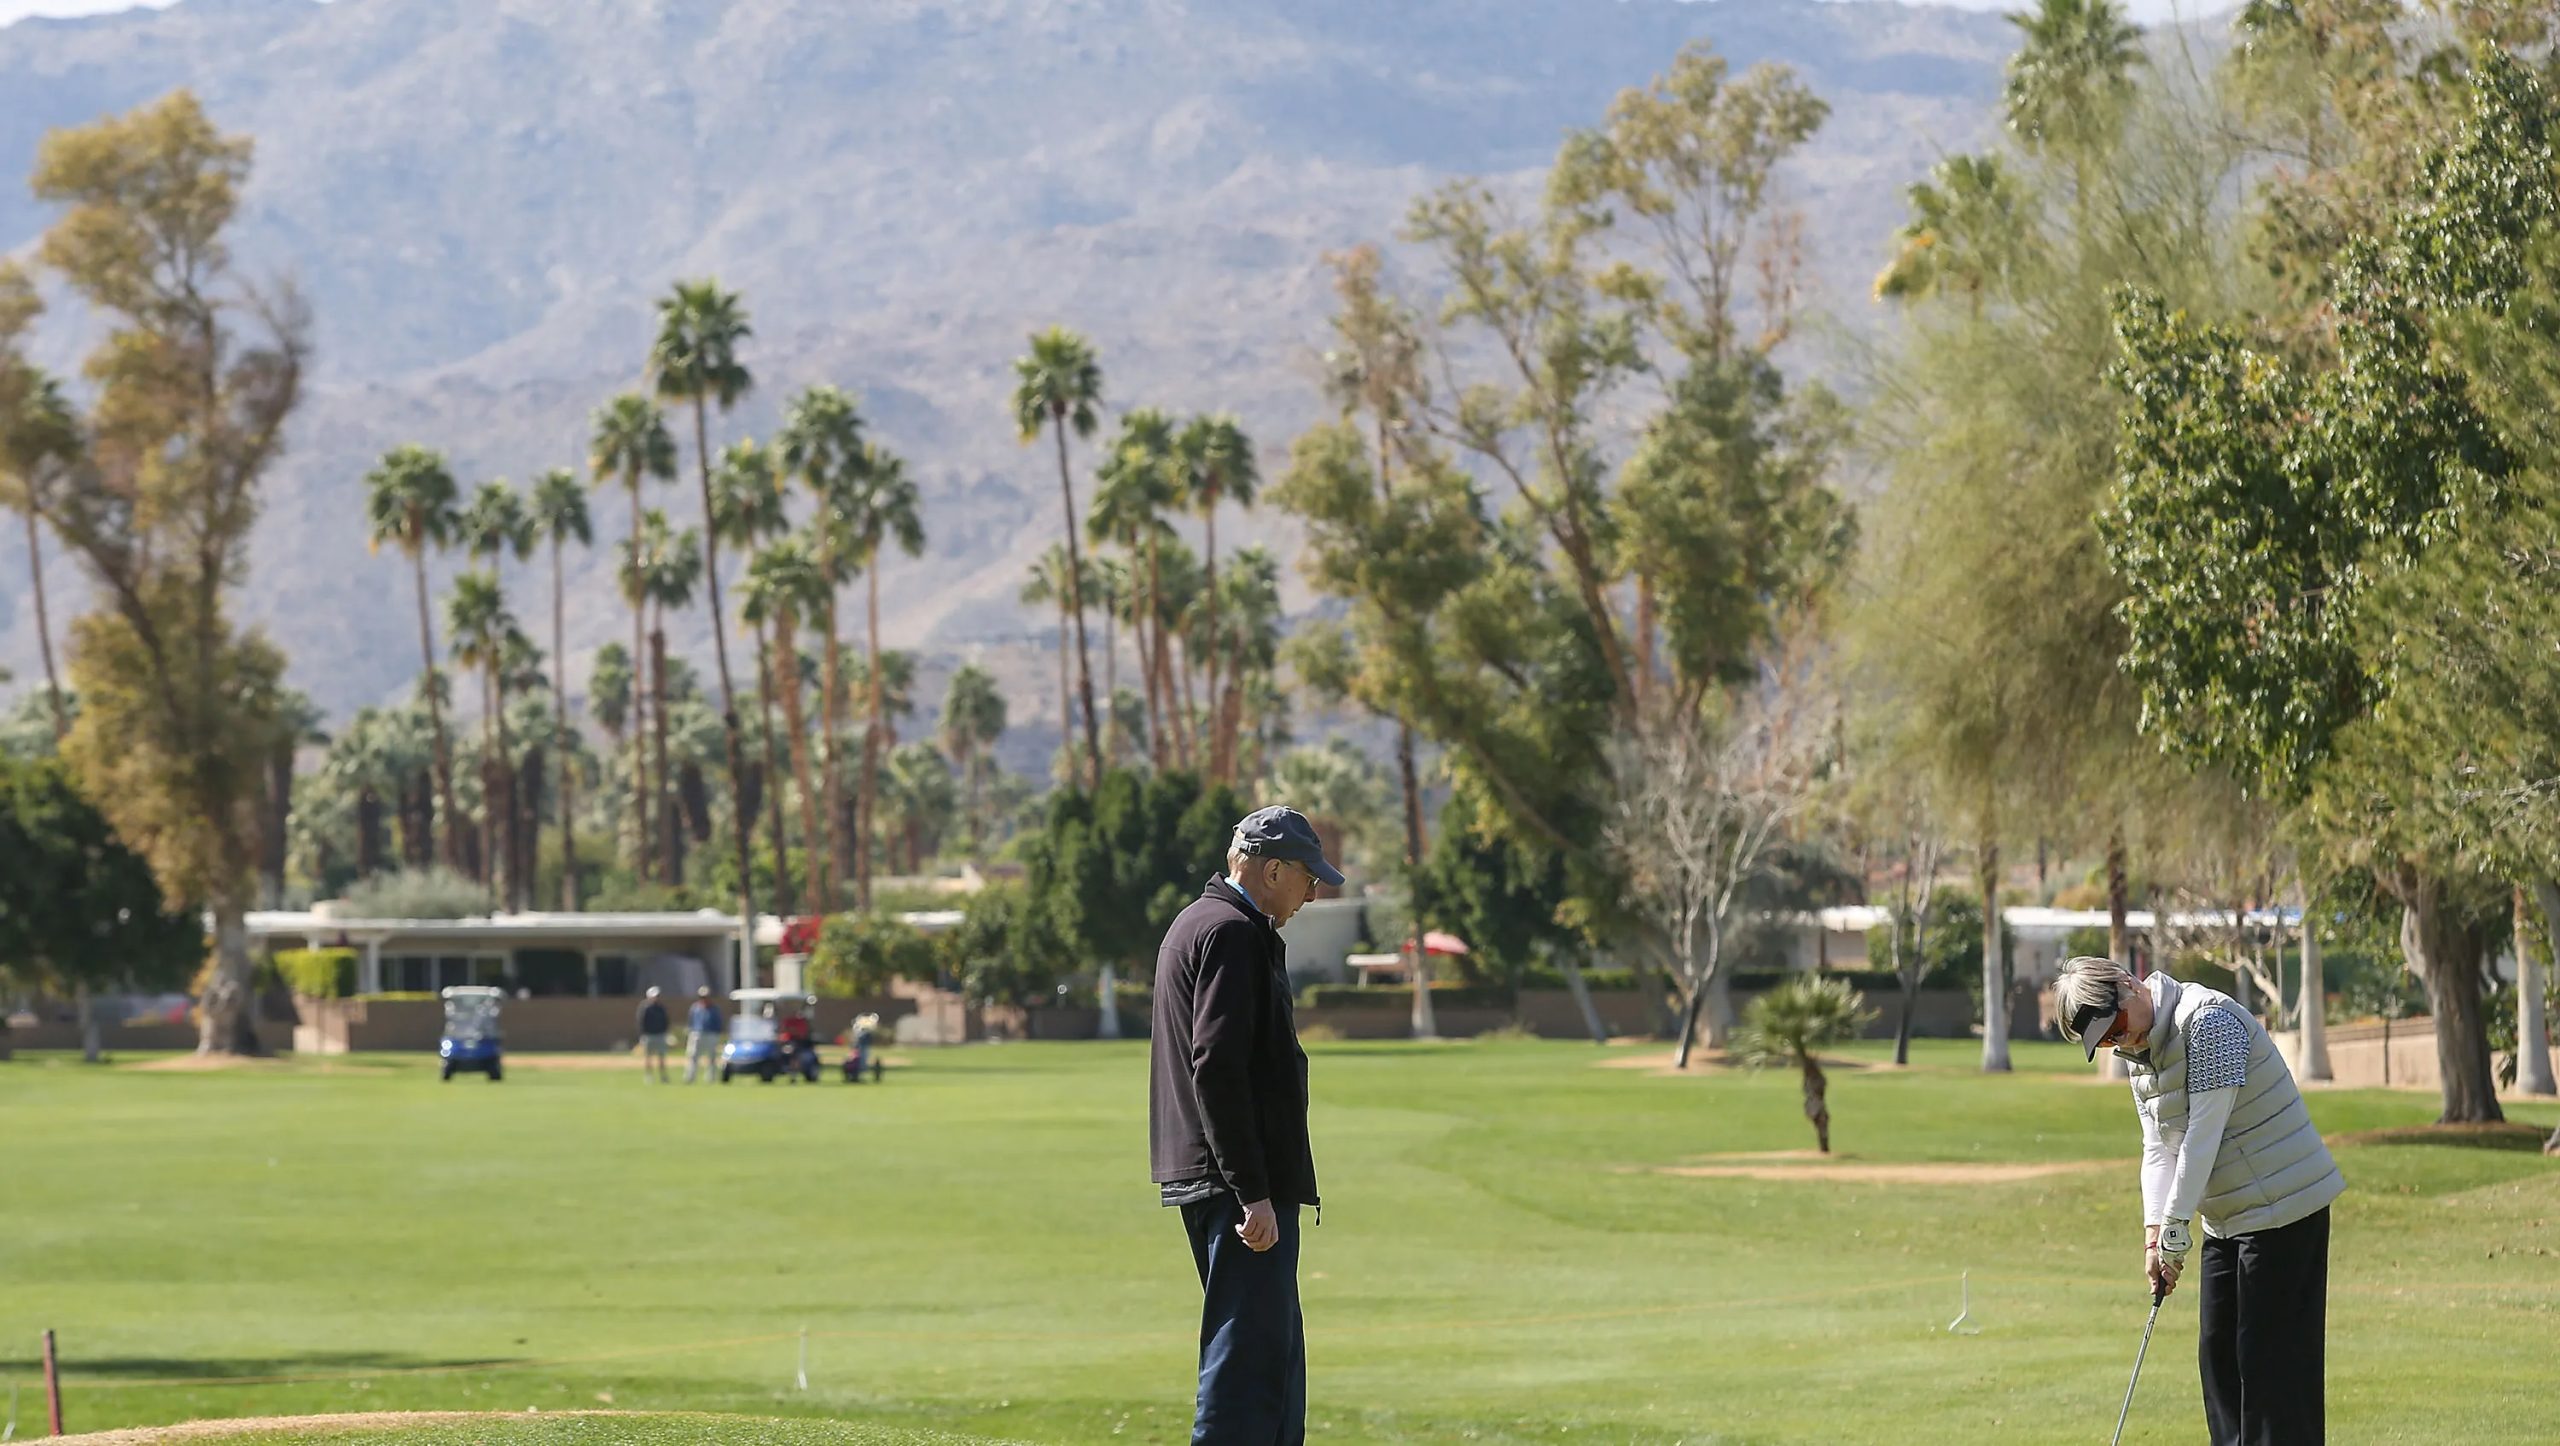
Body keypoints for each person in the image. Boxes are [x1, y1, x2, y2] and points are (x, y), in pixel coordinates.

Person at [2054, 955, 2345, 1446]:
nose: (2119, 1042)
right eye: (2105, 1041)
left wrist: (2174, 1228)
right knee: (2218, 1358)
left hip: (2284, 1209)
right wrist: (2154, 1236)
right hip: (2227, 1217)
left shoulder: (2210, 1021)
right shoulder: (2138, 1060)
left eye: (2117, 1026)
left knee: (2270, 1365)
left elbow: (2201, 1138)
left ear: (2130, 985)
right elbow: (2157, 1148)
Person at [1150, 804, 1341, 1445]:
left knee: (1273, 1353)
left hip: (1226, 1177)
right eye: (1307, 877)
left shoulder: (1205, 923)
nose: (1313, 892)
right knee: (1247, 1362)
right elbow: (1218, 1067)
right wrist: (1252, 1189)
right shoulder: (1229, 931)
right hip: (1236, 1185)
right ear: (1271, 869)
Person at [684, 986, 724, 1084]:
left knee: (712, 1057)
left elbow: (718, 1022)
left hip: (710, 1034)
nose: (704, 999)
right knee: (693, 1056)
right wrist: (691, 1032)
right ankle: (690, 1077)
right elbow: (691, 1021)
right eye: (702, 997)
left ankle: (711, 1078)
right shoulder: (695, 1008)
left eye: (705, 997)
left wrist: (717, 1034)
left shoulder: (714, 1009)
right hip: (697, 1034)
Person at [635, 986, 671, 1083]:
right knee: (648, 1058)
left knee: (661, 1058)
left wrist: (665, 1032)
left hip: (660, 1035)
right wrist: (642, 1035)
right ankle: (648, 1076)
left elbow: (666, 1021)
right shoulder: (644, 1008)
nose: (656, 998)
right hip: (649, 1035)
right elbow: (641, 1022)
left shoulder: (661, 1008)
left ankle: (663, 1076)